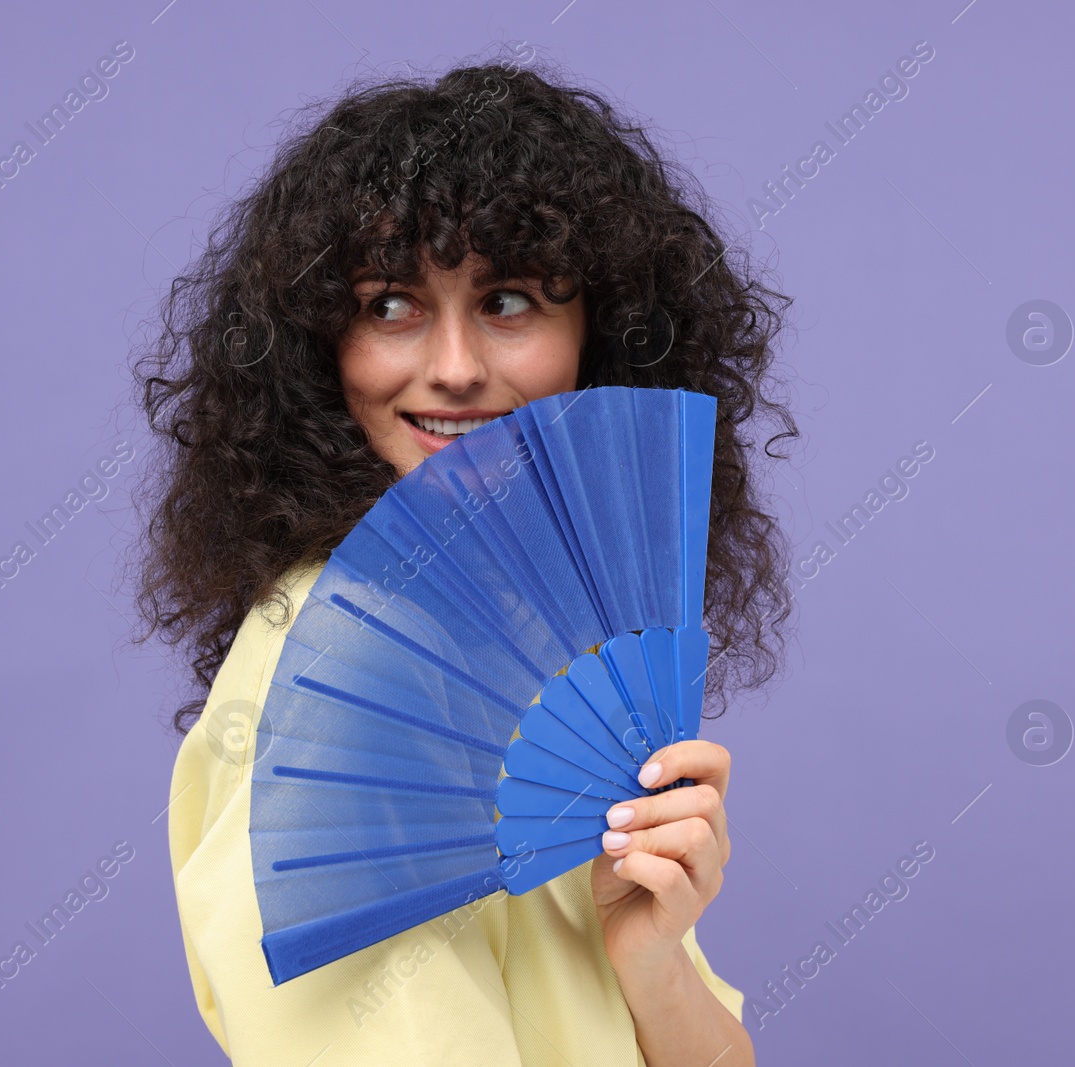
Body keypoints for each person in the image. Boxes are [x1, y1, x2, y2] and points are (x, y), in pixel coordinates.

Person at [130, 48, 797, 1066]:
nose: (451, 369)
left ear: (602, 337)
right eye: (389, 304)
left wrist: (651, 957)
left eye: (510, 299)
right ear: (318, 346)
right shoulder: (343, 684)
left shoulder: (541, 644)